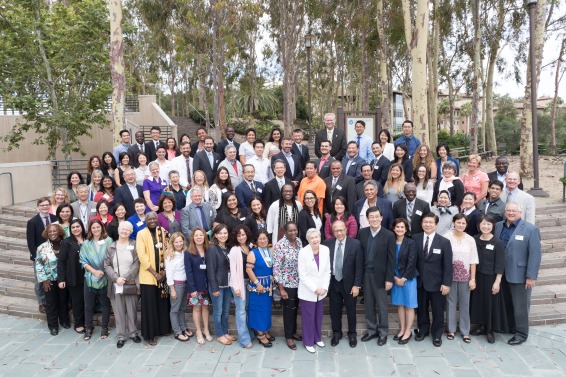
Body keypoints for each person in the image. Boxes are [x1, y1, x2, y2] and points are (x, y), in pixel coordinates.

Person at [495, 202, 541, 345]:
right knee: (507, 303)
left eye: (514, 211)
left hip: (520, 274)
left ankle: (521, 334)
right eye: (508, 210)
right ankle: (510, 327)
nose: (511, 213)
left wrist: (531, 276)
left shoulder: (530, 229)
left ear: (520, 212)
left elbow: (535, 254)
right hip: (501, 274)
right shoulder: (498, 226)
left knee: (520, 306)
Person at [357, 207, 395, 346]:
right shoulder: (362, 233)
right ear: (367, 219)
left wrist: (389, 279)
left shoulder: (389, 235)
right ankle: (372, 330)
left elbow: (392, 260)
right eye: (371, 217)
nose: (374, 219)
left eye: (376, 216)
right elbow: (359, 255)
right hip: (366, 274)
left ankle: (383, 332)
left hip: (381, 276)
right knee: (368, 304)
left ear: (381, 218)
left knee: (382, 305)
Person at [414, 213, 453, 347]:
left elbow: (448, 265)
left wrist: (446, 283)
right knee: (421, 309)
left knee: (437, 310)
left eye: (431, 222)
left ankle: (437, 334)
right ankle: (423, 330)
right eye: (425, 222)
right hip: (420, 282)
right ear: (421, 224)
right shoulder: (415, 239)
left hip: (438, 283)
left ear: (436, 225)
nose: (428, 225)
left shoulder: (444, 242)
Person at [105, 212, 141, 348]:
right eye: (122, 229)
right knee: (119, 311)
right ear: (118, 231)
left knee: (132, 310)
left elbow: (137, 263)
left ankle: (133, 333)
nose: (124, 231)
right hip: (115, 284)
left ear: (131, 231)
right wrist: (116, 278)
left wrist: (125, 278)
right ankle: (121, 335)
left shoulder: (135, 244)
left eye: (127, 229)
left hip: (130, 282)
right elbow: (106, 265)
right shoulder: (111, 247)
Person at [325, 220, 364, 348]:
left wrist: (357, 285)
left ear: (346, 229)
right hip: (334, 283)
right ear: (332, 231)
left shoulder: (355, 244)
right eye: (336, 230)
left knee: (351, 310)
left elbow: (359, 267)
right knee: (334, 311)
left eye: (341, 229)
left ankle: (352, 334)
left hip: (350, 284)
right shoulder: (327, 244)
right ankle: (337, 333)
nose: (339, 232)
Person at [470, 215, 507, 344]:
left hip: (491, 277)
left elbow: (500, 263)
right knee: (479, 302)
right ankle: (481, 326)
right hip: (477, 276)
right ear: (479, 225)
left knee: (490, 303)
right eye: (483, 224)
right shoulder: (474, 239)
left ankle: (490, 330)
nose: (485, 227)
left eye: (488, 224)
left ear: (493, 226)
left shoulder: (498, 242)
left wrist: (497, 281)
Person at [136, 212, 171, 346]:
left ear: (157, 219)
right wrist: (154, 273)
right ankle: (150, 335)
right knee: (149, 306)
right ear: (146, 220)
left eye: (154, 218)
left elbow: (168, 250)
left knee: (162, 303)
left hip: (162, 275)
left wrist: (164, 271)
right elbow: (142, 255)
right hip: (148, 277)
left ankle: (164, 329)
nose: (152, 220)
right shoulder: (141, 234)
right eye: (149, 219)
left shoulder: (163, 231)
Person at [444, 214, 479, 344]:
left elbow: (473, 261)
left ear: (466, 225)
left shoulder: (470, 240)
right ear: (453, 223)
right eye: (458, 222)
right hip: (450, 276)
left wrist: (473, 279)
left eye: (463, 223)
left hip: (465, 276)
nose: (460, 225)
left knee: (465, 304)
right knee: (450, 303)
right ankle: (451, 329)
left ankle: (465, 331)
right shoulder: (447, 237)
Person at [298, 228, 331, 353]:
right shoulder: (303, 252)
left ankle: (317, 338)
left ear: (320, 237)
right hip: (308, 291)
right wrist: (315, 289)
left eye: (316, 237)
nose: (315, 239)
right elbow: (303, 275)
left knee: (318, 316)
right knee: (308, 317)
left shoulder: (325, 249)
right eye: (312, 238)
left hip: (322, 291)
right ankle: (308, 341)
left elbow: (327, 271)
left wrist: (324, 287)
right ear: (308, 240)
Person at [80, 219, 112, 341]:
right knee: (88, 305)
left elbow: (111, 258)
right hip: (90, 278)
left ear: (102, 228)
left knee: (105, 304)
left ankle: (104, 328)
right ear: (90, 230)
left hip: (105, 277)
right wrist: (94, 271)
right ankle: (88, 328)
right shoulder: (86, 243)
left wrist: (103, 271)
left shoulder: (108, 241)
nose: (96, 229)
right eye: (93, 228)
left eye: (98, 227)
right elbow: (83, 261)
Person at [273, 222, 303, 350]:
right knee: (288, 310)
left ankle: (293, 332)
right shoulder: (280, 245)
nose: (293, 233)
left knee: (295, 308)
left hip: (299, 282)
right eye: (290, 230)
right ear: (285, 231)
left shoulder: (299, 242)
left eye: (295, 230)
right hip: (287, 283)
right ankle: (288, 337)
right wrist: (281, 289)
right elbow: (277, 268)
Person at [35, 224, 69, 335]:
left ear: (59, 231)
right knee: (51, 303)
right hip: (49, 280)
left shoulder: (66, 244)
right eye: (50, 232)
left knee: (63, 301)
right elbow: (38, 265)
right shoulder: (42, 248)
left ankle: (64, 321)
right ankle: (53, 326)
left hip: (63, 278)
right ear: (47, 234)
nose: (52, 233)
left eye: (55, 231)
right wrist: (44, 280)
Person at [206, 224, 236, 345]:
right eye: (220, 233)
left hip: (228, 284)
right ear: (216, 235)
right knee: (218, 311)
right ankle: (219, 334)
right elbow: (210, 270)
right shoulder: (212, 248)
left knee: (226, 310)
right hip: (217, 285)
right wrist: (214, 288)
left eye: (225, 233)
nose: (223, 235)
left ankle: (225, 332)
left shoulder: (229, 248)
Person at [27, 197, 57, 314]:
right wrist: (37, 257)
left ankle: (52, 299)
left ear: (49, 206)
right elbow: (31, 242)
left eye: (46, 205)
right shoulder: (32, 222)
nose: (45, 207)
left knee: (53, 278)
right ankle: (42, 303)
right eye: (42, 205)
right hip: (39, 256)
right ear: (38, 207)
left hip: (54, 254)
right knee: (39, 280)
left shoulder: (54, 219)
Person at [390, 218, 418, 345]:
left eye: (402, 227)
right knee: (400, 305)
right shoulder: (391, 242)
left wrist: (404, 278)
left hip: (409, 279)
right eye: (397, 227)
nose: (400, 229)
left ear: (406, 229)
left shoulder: (411, 243)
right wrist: (395, 278)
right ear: (394, 228)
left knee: (409, 305)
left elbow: (412, 262)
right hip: (396, 278)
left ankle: (408, 331)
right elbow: (388, 261)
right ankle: (402, 329)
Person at [246, 230, 275, 348]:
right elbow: (248, 270)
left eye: (265, 238)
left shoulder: (271, 251)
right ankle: (260, 334)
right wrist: (257, 283)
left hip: (269, 285)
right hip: (259, 286)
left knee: (266, 309)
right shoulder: (253, 253)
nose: (263, 241)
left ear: (268, 240)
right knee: (258, 309)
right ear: (256, 241)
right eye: (260, 239)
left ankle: (264, 329)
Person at [57, 218, 86, 334]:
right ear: (70, 229)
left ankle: (87, 322)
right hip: (74, 277)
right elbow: (61, 262)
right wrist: (61, 279)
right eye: (73, 227)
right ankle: (78, 324)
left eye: (77, 226)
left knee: (87, 301)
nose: (75, 229)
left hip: (88, 275)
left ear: (82, 227)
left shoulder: (88, 239)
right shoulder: (66, 242)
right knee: (77, 301)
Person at [185, 227, 213, 345]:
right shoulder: (188, 252)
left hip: (207, 285)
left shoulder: (209, 250)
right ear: (193, 238)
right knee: (196, 308)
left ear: (204, 237)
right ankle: (198, 331)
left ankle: (206, 330)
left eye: (201, 235)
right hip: (195, 286)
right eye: (196, 235)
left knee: (205, 308)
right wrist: (192, 289)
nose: (199, 237)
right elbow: (188, 272)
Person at [228, 225, 254, 348]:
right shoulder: (234, 250)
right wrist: (236, 288)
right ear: (235, 237)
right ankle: (244, 340)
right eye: (239, 235)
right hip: (239, 284)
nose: (241, 237)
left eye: (243, 234)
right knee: (241, 311)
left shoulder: (250, 247)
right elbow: (232, 271)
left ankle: (250, 333)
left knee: (248, 309)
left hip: (250, 283)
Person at [165, 232, 192, 342]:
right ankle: (177, 332)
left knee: (182, 308)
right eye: (176, 242)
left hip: (185, 284)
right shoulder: (170, 256)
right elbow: (169, 274)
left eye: (181, 241)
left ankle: (183, 328)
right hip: (176, 285)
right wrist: (172, 289)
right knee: (175, 310)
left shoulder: (185, 253)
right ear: (172, 243)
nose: (179, 243)